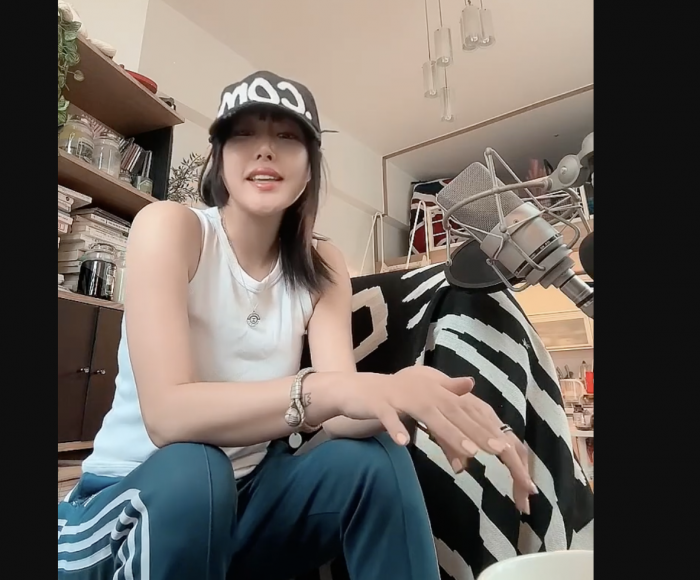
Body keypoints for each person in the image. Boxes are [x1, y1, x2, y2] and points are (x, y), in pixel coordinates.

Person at [57, 71, 536, 580]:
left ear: (309, 169)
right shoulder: (172, 227)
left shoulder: (322, 264)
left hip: (247, 508)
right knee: (198, 468)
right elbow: (167, 415)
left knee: (376, 459)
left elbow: (341, 417)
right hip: (135, 505)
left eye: (287, 137)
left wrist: (403, 391)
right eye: (244, 134)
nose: (265, 150)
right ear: (219, 159)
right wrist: (324, 389)